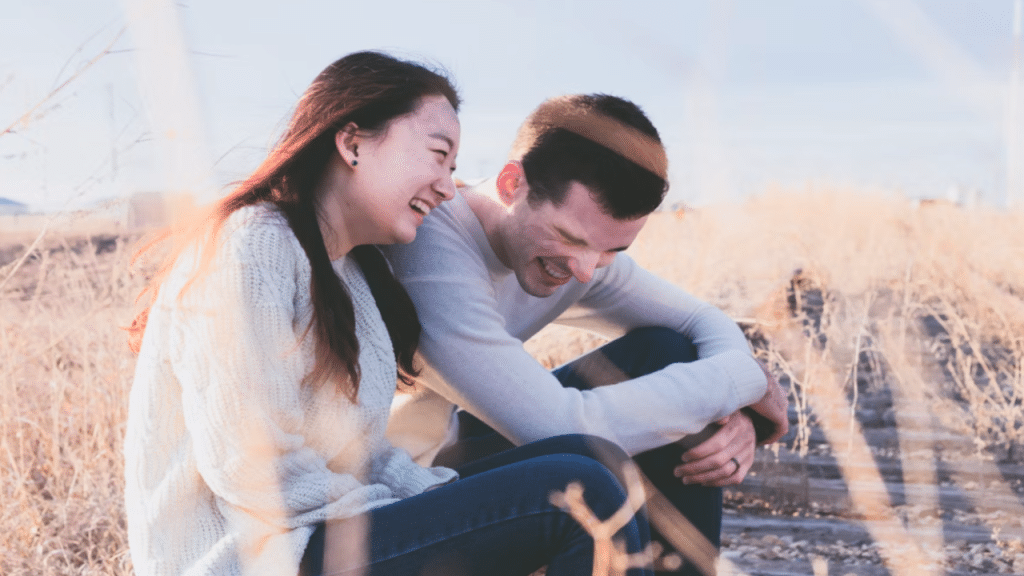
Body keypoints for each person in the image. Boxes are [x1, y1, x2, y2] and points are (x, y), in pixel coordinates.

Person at [123, 53, 652, 576]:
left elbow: (358, 452)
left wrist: (436, 498)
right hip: (253, 558)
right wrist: (405, 510)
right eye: (437, 154)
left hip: (318, 535)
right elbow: (249, 467)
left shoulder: (348, 275)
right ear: (353, 143)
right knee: (580, 496)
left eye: (453, 167)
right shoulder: (251, 247)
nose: (448, 186)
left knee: (596, 457)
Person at [382, 93, 790, 575]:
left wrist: (733, 411)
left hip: (447, 452)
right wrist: (742, 383)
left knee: (668, 351)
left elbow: (702, 322)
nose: (584, 271)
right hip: (391, 494)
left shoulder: (581, 255)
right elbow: (561, 428)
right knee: (593, 467)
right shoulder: (431, 251)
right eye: (571, 239)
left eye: (610, 250)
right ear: (513, 184)